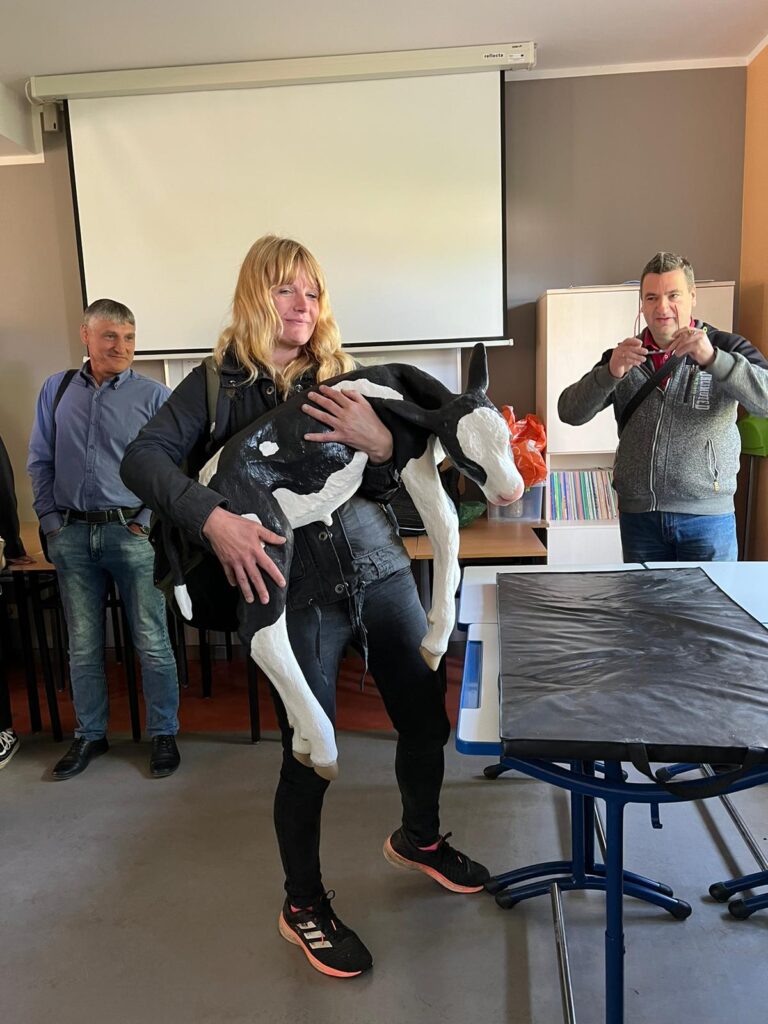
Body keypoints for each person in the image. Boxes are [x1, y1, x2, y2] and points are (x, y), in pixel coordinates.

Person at [121, 235, 489, 978]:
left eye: (313, 291)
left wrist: (383, 446)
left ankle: (419, 838)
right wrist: (211, 518)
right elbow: (141, 460)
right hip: (295, 597)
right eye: (286, 288)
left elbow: (384, 484)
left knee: (426, 719)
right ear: (255, 295)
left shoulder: (344, 376)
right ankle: (303, 904)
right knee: (309, 754)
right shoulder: (214, 387)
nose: (302, 304)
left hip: (381, 571)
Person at [27, 299, 181, 780]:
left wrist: (145, 520)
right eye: (110, 336)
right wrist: (51, 524)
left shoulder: (154, 396)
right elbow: (40, 460)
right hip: (72, 535)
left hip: (132, 534)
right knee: (83, 645)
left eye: (129, 337)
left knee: (152, 640)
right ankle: (90, 735)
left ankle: (163, 734)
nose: (122, 346)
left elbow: (173, 468)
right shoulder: (56, 390)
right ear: (86, 336)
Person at [558, 251, 768, 562]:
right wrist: (609, 373)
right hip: (639, 520)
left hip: (707, 520)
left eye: (673, 295)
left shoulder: (727, 348)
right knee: (644, 598)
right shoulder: (623, 356)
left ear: (692, 296)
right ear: (642, 304)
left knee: (708, 597)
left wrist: (714, 360)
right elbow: (569, 412)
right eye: (652, 297)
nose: (662, 307)